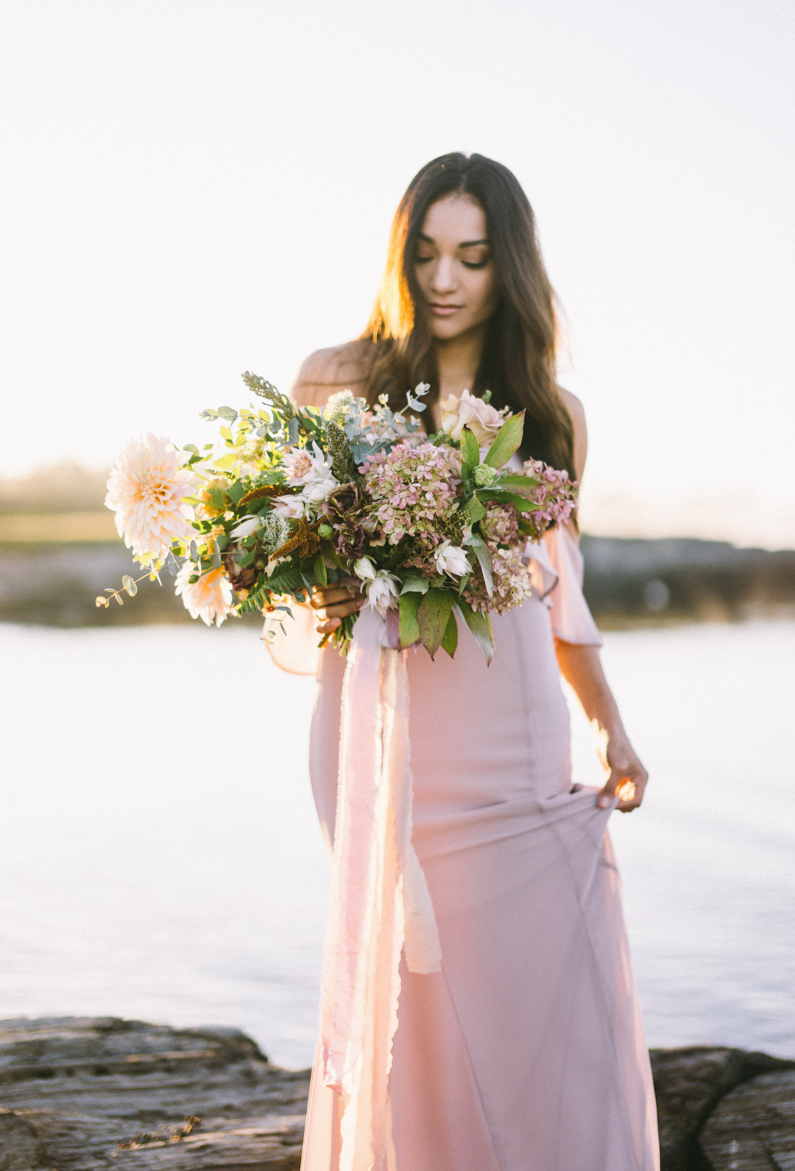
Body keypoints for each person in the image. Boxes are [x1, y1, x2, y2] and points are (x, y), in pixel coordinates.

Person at [285, 153, 659, 1170]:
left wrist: (609, 727)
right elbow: (286, 574)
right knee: (406, 992)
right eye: (425, 253)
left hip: (518, 740)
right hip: (387, 730)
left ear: (509, 269)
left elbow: (558, 595)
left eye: (472, 257)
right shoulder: (332, 381)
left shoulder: (553, 414)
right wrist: (306, 572)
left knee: (541, 998)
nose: (444, 279)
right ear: (399, 256)